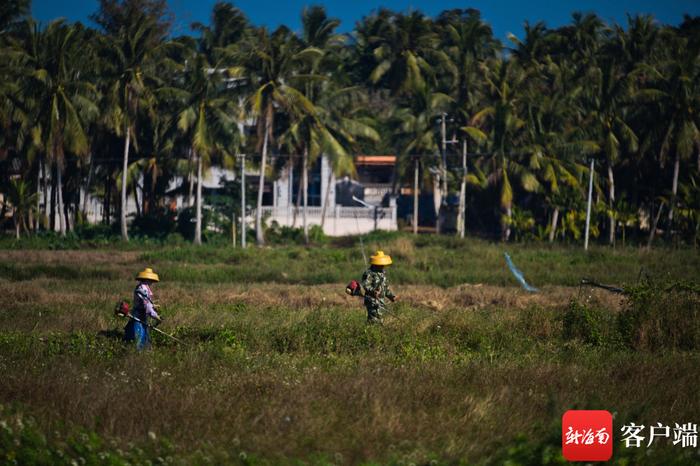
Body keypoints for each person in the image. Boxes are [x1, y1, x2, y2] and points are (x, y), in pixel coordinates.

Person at [124, 267, 162, 350]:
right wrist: (156, 316)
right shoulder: (143, 289)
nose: (152, 282)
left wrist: (153, 305)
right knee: (140, 335)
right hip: (139, 315)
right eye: (151, 280)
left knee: (142, 332)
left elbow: (145, 302)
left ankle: (136, 347)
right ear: (148, 279)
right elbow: (147, 307)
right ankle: (138, 352)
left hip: (140, 314)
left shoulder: (142, 287)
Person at [361, 251, 397, 324]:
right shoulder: (369, 273)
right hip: (372, 301)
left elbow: (385, 288)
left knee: (380, 320)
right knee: (374, 320)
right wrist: (373, 291)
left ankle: (374, 333)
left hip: (381, 301)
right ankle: (370, 333)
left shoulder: (382, 273)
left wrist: (391, 296)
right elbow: (365, 285)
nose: (383, 266)